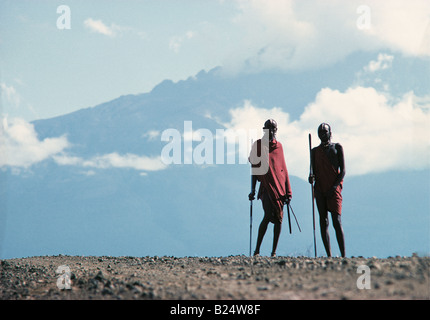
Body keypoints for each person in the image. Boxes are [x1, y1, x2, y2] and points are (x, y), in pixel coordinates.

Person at [248, 119, 292, 257]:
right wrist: (253, 190)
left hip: (280, 188)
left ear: (276, 130)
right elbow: (254, 169)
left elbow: (283, 169)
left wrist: (288, 190)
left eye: (273, 128)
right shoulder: (258, 145)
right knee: (267, 215)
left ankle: (273, 252)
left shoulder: (279, 146)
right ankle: (257, 250)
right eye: (268, 128)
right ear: (264, 129)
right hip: (266, 187)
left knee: (279, 219)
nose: (271, 131)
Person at [308, 123, 346, 257]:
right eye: (320, 132)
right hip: (319, 189)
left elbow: (343, 171)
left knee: (337, 220)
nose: (323, 134)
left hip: (334, 189)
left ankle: (343, 255)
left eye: (325, 132)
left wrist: (335, 187)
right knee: (323, 221)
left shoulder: (337, 147)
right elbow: (312, 172)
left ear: (330, 133)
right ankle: (329, 255)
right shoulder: (314, 151)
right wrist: (311, 178)